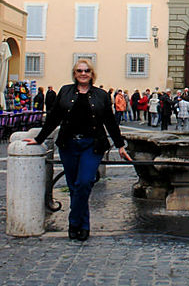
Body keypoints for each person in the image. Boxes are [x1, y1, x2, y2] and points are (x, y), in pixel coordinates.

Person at [23, 59, 131, 242]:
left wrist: (120, 145)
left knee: (84, 182)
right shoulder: (65, 91)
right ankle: (82, 226)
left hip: (92, 144)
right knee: (74, 187)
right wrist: (39, 139)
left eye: (87, 70)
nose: (83, 73)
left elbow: (110, 122)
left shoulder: (101, 95)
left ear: (92, 74)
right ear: (74, 73)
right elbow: (54, 117)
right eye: (80, 70)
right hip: (69, 145)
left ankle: (74, 222)